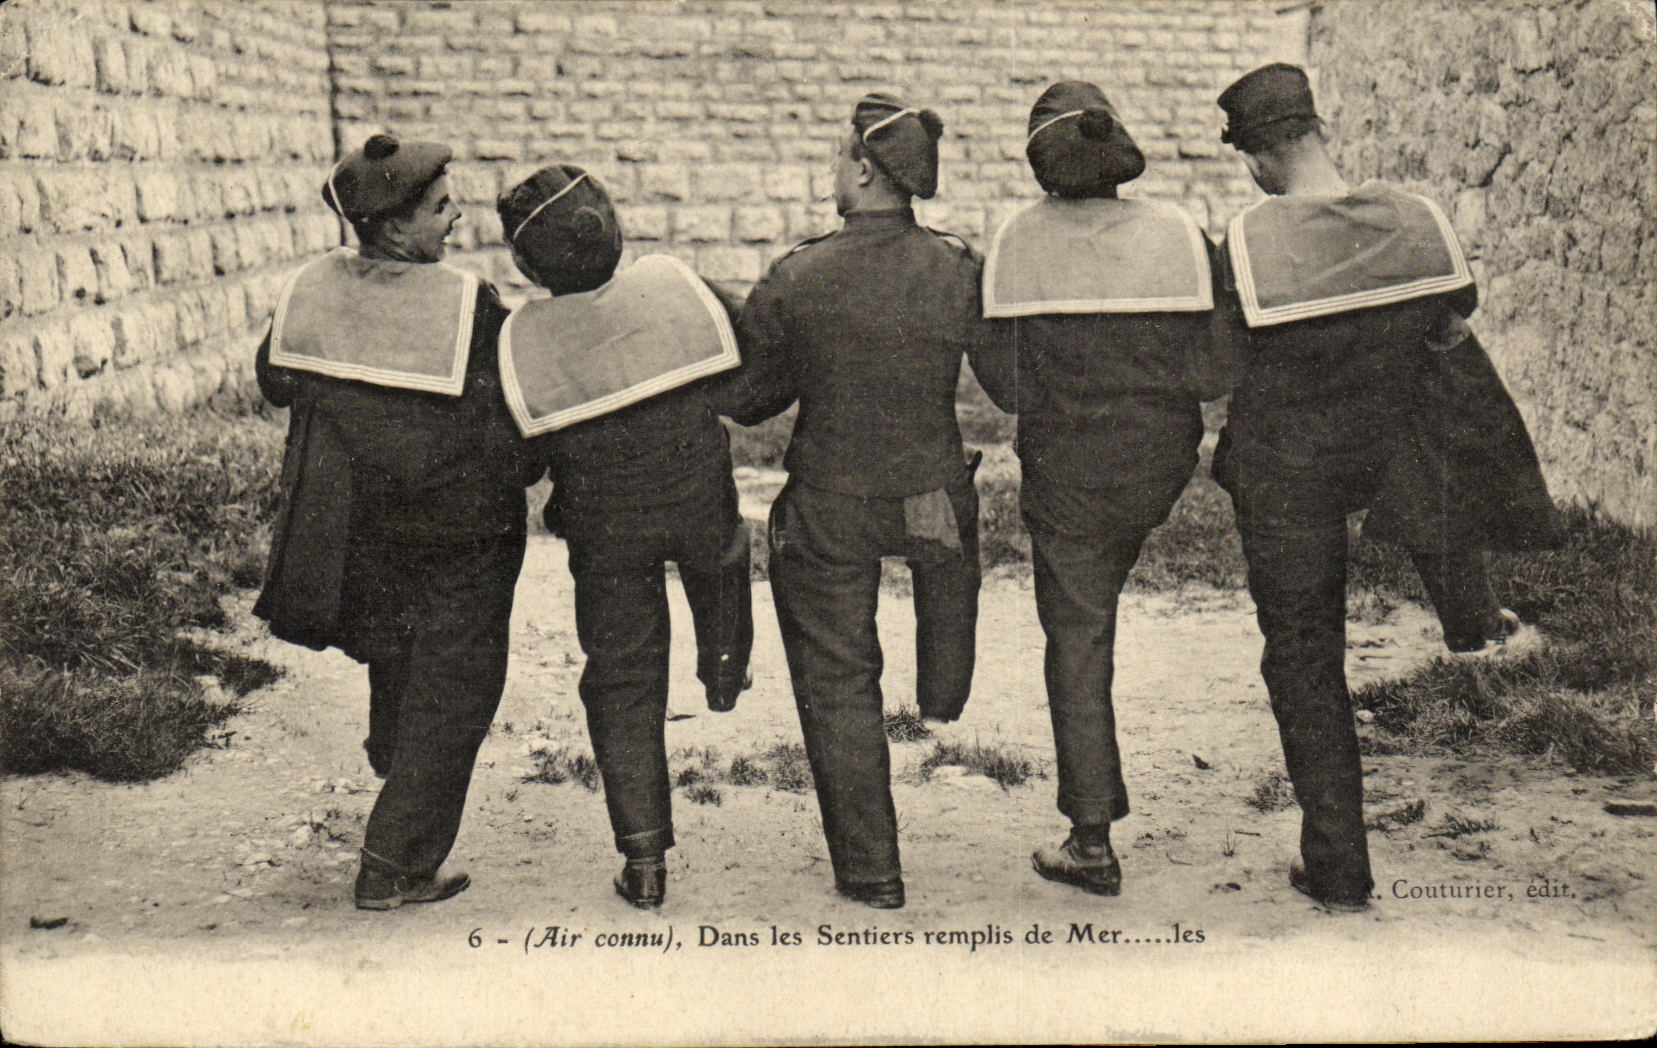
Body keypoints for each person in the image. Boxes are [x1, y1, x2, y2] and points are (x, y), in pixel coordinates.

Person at [1211, 64, 1561, 912]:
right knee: (1441, 392)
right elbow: (1450, 326)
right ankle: (1468, 607)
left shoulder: (1247, 242)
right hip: (1397, 453)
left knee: (1303, 651)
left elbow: (1217, 366)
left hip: (1288, 467)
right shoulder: (1413, 219)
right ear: (1319, 130)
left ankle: (1336, 866)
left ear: (1254, 156)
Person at [729, 92, 999, 909]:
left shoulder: (798, 274)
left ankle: (871, 870)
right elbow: (1005, 381)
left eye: (835, 159)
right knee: (947, 557)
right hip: (930, 495)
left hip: (831, 500)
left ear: (864, 170)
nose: (829, 174)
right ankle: (942, 693)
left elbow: (752, 401)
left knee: (838, 678)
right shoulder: (958, 266)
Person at [254, 134, 537, 910]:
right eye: (440, 207)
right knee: (459, 685)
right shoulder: (467, 304)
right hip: (463, 533)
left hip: (363, 531)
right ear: (393, 225)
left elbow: (275, 381)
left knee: (401, 653)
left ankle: (395, 754)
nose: (456, 217)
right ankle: (394, 863)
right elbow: (511, 420)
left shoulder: (313, 288)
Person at [974, 81, 1241, 896]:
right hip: (1158, 462)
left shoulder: (1013, 243)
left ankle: (1090, 838)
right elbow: (1215, 370)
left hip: (1067, 474)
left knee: (1079, 636)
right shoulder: (1177, 233)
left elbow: (1005, 389)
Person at [494, 165, 754, 909]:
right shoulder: (674, 285)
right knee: (723, 558)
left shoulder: (524, 336)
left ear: (528, 265)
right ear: (614, 225)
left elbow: (521, 459)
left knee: (622, 676)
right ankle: (724, 668)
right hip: (698, 496)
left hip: (604, 527)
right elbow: (747, 375)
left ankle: (644, 858)